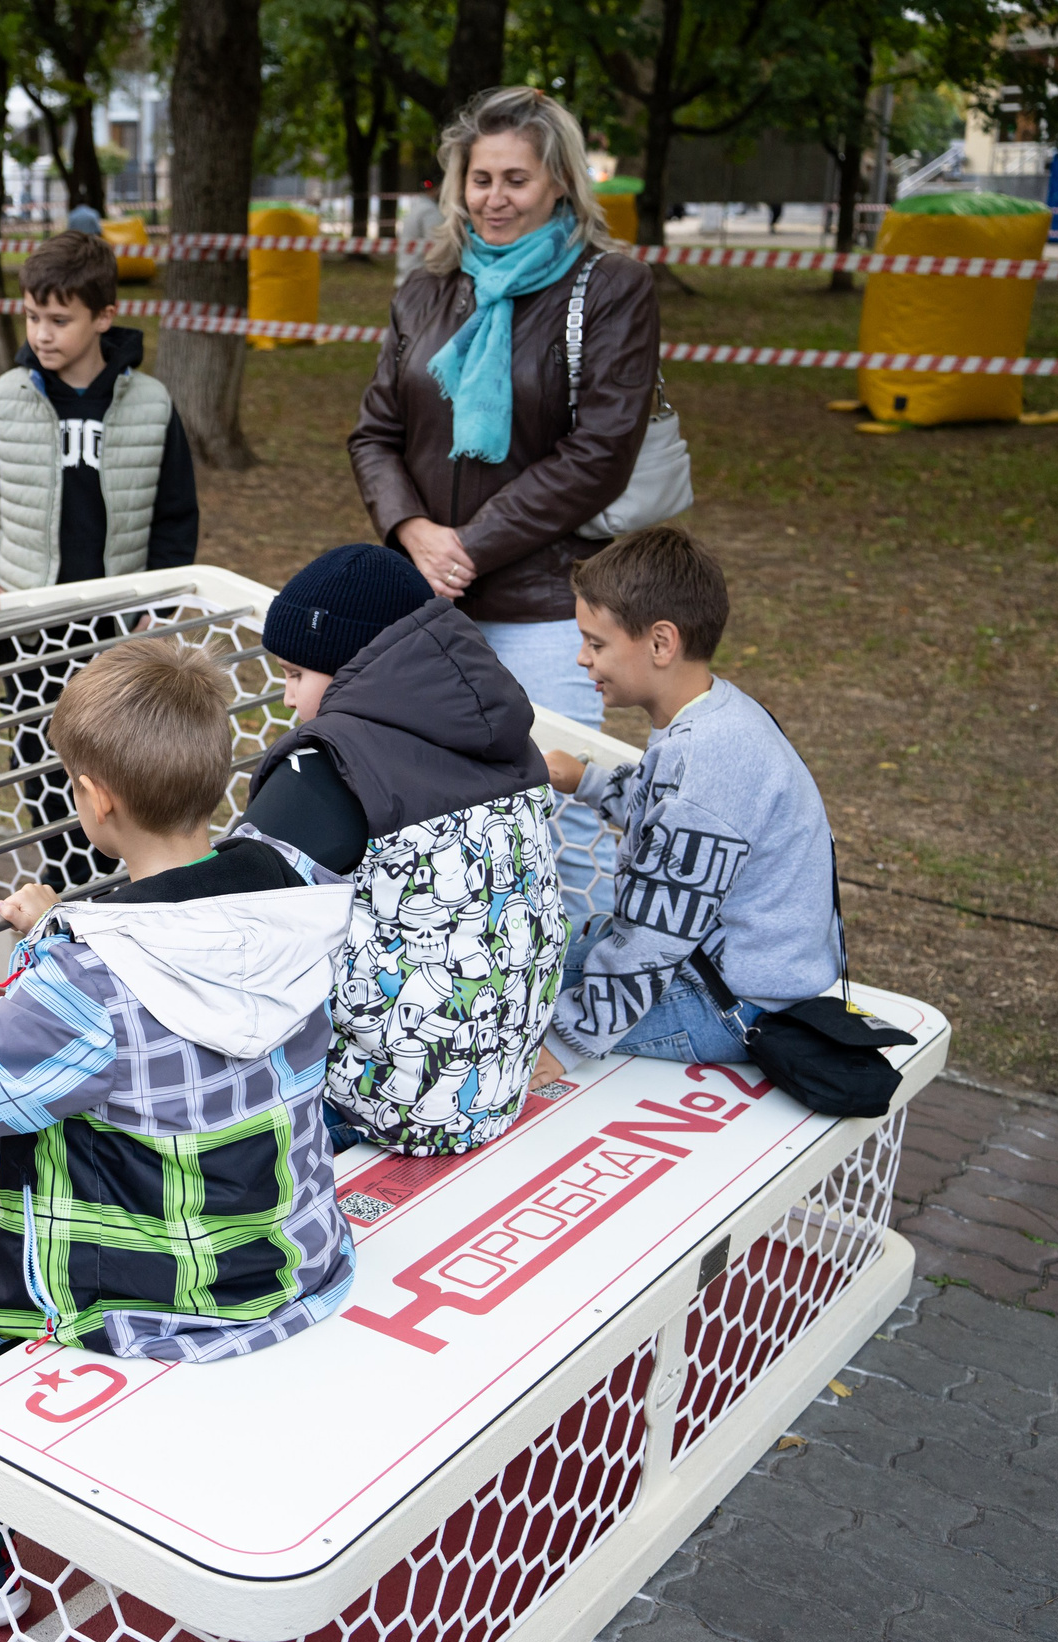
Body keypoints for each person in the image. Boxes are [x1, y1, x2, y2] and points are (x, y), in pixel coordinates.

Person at [0, 638, 358, 1626]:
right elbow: (166, 947)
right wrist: (56, 930)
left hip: (165, 1292)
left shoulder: (91, 983)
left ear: (94, 796)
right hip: (286, 1252)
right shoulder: (292, 882)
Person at [347, 85, 658, 922]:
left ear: (560, 182)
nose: (494, 198)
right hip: (424, 602)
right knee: (431, 814)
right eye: (479, 179)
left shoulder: (611, 286)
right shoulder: (426, 290)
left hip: (544, 606)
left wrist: (470, 547)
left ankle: (579, 1015)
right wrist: (413, 532)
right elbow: (374, 435)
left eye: (515, 179)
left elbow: (599, 453)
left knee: (555, 820)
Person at [236, 544, 569, 1156]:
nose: (286, 699)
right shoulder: (501, 738)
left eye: (294, 674)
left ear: (349, 665)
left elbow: (226, 917)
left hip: (376, 1102)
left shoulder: (331, 765)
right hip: (493, 1083)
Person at [528, 528, 840, 1088]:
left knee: (503, 1019)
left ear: (661, 643)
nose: (582, 659)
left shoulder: (710, 759)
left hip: (732, 1005)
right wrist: (586, 780)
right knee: (521, 965)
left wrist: (566, 1040)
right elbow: (664, 815)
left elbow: (656, 930)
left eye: (596, 644)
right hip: (718, 969)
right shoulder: (714, 714)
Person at [0, 228, 198, 893]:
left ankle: (114, 886)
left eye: (59, 319)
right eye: (33, 316)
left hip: (112, 627)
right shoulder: (7, 399)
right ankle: (60, 885)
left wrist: (157, 609)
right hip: (30, 622)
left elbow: (176, 518)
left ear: (104, 317)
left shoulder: (150, 404)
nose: (42, 332)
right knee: (40, 758)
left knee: (114, 764)